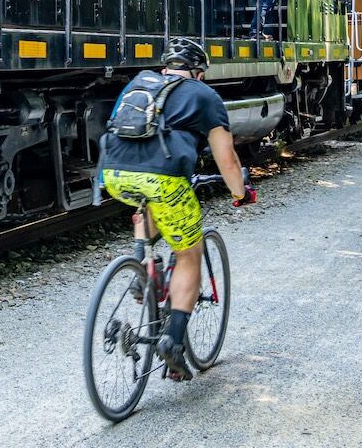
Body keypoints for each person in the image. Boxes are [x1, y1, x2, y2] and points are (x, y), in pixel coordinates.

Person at [99, 38, 257, 381]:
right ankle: (172, 341)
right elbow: (226, 159)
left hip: (113, 173)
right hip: (164, 178)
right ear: (198, 73)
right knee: (189, 251)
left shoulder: (140, 82)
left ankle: (144, 265)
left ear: (165, 67)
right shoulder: (204, 96)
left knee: (147, 205)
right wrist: (240, 193)